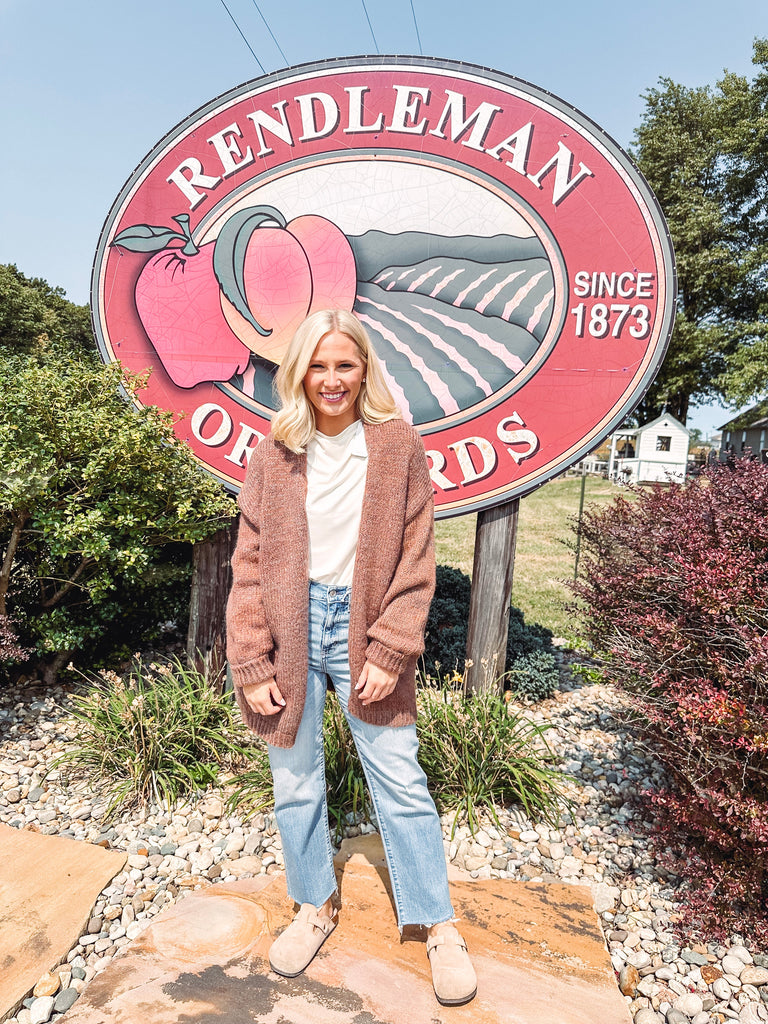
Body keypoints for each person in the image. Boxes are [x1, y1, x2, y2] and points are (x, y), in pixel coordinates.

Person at [226, 308, 477, 1007]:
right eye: (318, 365)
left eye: (345, 364)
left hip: (364, 626)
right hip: (289, 629)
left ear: (364, 369)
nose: (331, 379)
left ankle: (438, 922)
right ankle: (313, 904)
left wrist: (393, 646)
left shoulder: (397, 445)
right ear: (298, 372)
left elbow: (417, 559)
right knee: (294, 781)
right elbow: (248, 565)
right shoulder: (273, 454)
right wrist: (250, 657)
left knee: (399, 774)